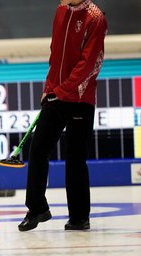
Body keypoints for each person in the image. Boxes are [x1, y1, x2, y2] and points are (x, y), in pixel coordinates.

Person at [18, 0, 107, 232]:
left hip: (79, 99)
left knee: (75, 158)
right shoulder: (60, 10)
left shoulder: (96, 18)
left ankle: (79, 217)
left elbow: (89, 64)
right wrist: (49, 87)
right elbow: (55, 54)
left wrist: (63, 89)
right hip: (56, 95)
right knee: (38, 149)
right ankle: (37, 208)